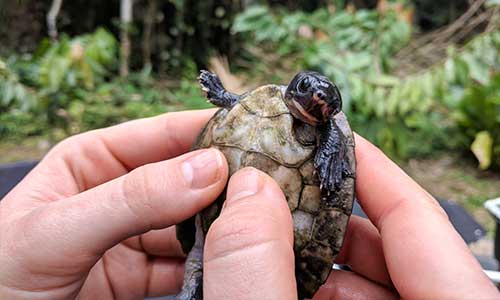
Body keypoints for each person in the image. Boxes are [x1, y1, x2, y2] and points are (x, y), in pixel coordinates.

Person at [0, 109, 498, 300]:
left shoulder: (328, 138)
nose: (310, 101)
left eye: (323, 102)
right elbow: (229, 113)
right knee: (195, 265)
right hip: (204, 224)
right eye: (305, 92)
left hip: (291, 240)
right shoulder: (258, 107)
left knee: (198, 267)